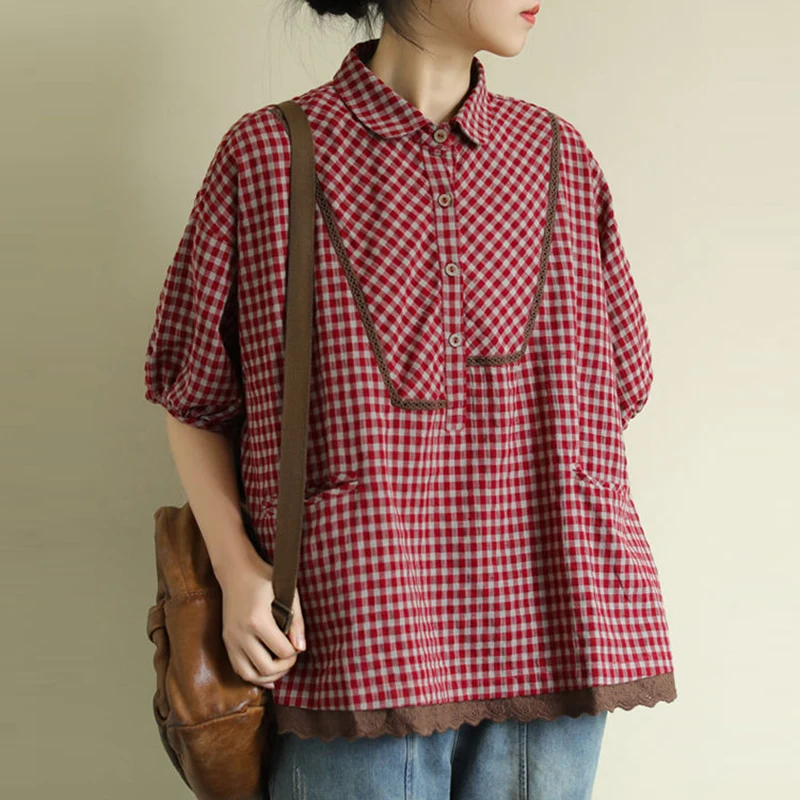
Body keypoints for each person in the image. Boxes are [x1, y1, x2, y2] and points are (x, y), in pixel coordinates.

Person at [143, 1, 678, 797]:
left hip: (553, 622)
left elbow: (620, 386)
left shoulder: (560, 159)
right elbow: (193, 393)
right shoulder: (270, 155)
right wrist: (238, 566)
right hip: (353, 635)